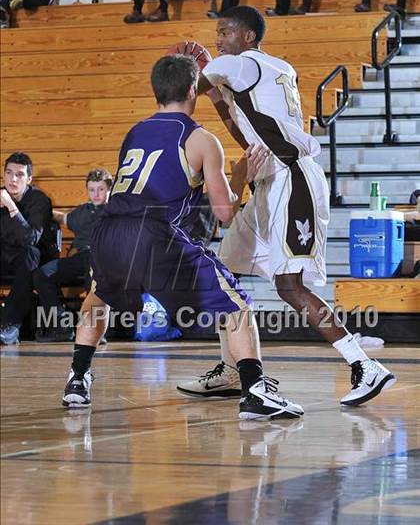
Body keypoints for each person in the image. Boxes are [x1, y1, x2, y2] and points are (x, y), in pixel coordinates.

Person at [61, 53, 304, 421]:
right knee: (236, 305)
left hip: (109, 230)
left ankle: (77, 381)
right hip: (155, 233)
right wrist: (241, 175)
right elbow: (223, 214)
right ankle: (255, 392)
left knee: (99, 296)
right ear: (194, 89)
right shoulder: (201, 139)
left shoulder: (135, 132)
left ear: (155, 91)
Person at [176, 6, 396, 407]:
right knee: (223, 269)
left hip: (293, 180)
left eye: (225, 32)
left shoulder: (241, 63)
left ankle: (364, 365)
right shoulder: (266, 71)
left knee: (289, 286)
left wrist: (189, 67)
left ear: (247, 37)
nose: (218, 39)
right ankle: (231, 369)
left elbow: (183, 90)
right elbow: (241, 125)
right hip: (269, 176)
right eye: (217, 33)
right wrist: (215, 91)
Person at [33, 168, 112, 343]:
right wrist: (38, 208)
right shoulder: (83, 211)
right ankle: (61, 325)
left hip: (103, 257)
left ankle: (95, 330)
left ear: (109, 189)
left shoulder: (116, 211)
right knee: (42, 274)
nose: (96, 194)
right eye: (91, 190)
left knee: (94, 276)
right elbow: (62, 218)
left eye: (100, 189)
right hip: (80, 256)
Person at [0, 152, 57, 345]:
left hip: (33, 258)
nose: (13, 179)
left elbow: (30, 239)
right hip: (5, 254)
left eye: (19, 174)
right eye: (8, 173)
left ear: (29, 179)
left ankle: (10, 324)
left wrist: (10, 207)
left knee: (29, 254)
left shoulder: (39, 200)